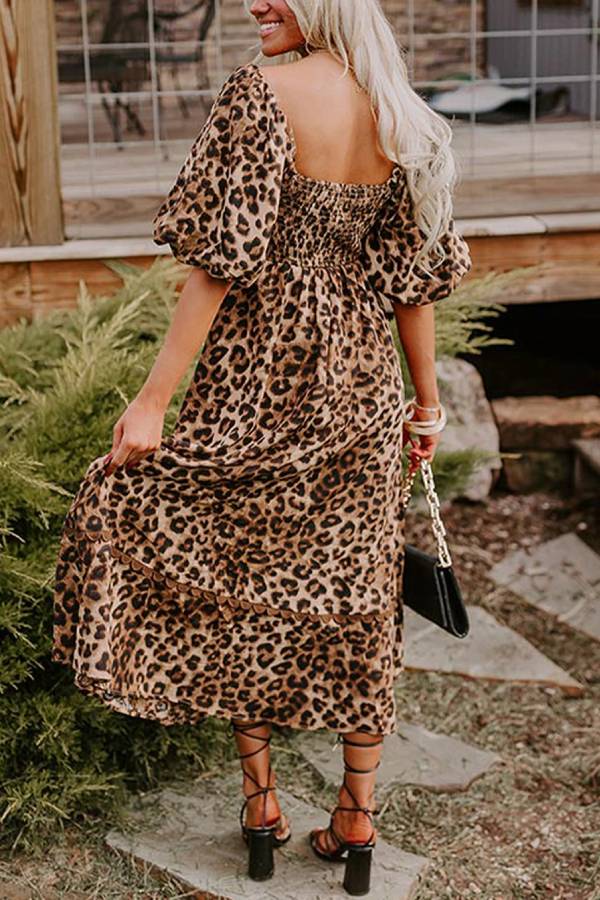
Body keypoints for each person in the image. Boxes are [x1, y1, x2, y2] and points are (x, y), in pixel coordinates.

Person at [52, 0, 472, 894]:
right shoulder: (397, 107)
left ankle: (261, 806)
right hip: (361, 383)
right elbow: (414, 279)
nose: (253, 3)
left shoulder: (261, 93)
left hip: (258, 372)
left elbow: (217, 263)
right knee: (359, 595)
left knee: (244, 584)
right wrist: (426, 406)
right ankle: (357, 817)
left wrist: (153, 401)